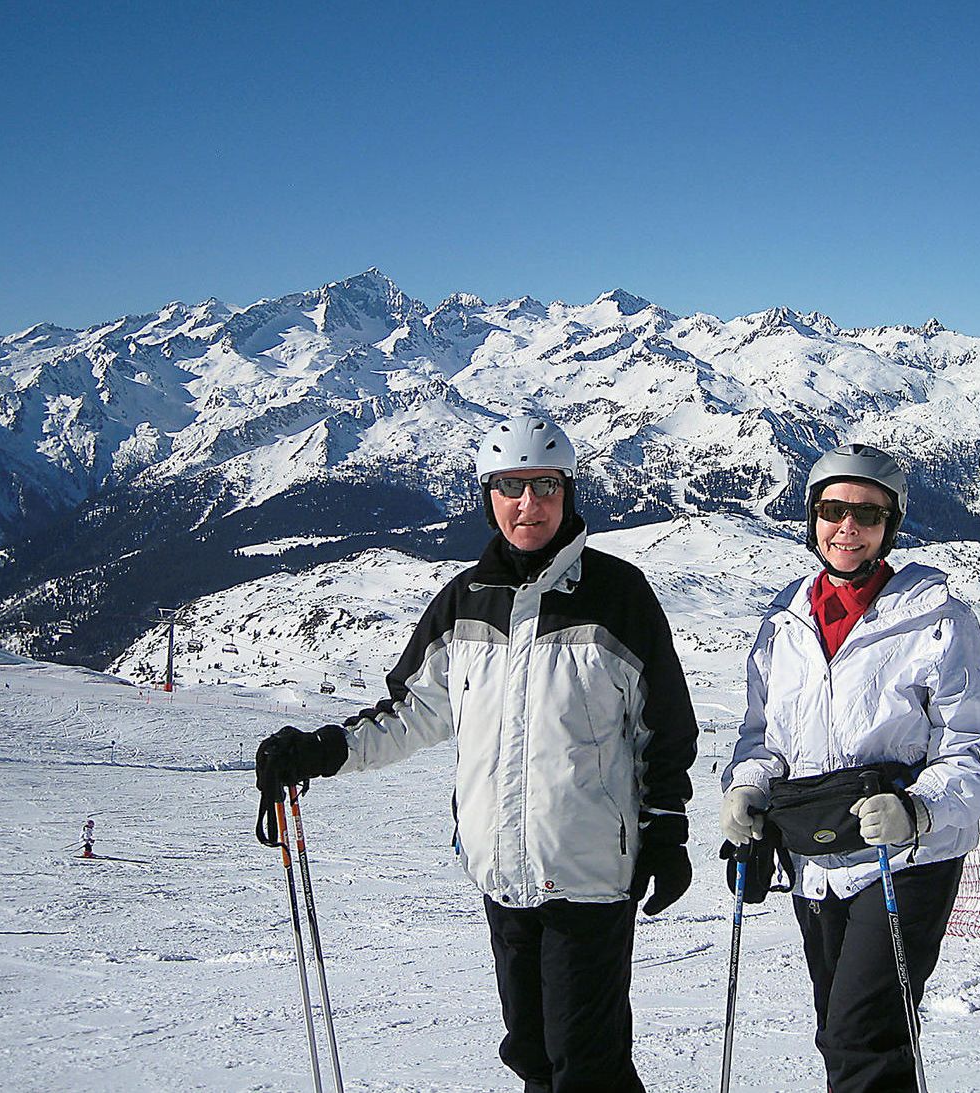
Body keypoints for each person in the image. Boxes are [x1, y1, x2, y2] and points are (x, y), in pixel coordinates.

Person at [255, 414, 698, 1093]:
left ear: (568, 491)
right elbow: (412, 711)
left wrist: (666, 829)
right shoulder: (464, 601)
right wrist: (322, 750)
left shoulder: (619, 596)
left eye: (544, 485)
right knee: (533, 1056)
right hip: (501, 874)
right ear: (487, 494)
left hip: (586, 875)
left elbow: (664, 727)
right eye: (511, 486)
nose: (528, 504)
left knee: (588, 1065)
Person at [719, 443, 980, 1093]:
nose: (847, 527)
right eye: (832, 509)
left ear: (891, 526)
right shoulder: (783, 623)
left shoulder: (937, 621)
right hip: (818, 855)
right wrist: (748, 787)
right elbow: (763, 737)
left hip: (906, 857)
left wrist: (920, 808)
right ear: (811, 517)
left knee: (862, 1033)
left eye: (868, 514)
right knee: (843, 1033)